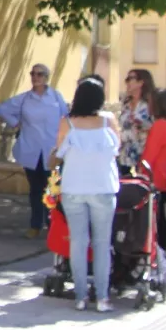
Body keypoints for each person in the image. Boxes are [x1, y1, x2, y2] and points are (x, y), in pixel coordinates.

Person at [55, 77, 122, 312]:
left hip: (73, 187)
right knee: (102, 243)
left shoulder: (67, 123)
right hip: (103, 187)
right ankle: (102, 298)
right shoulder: (108, 121)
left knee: (78, 242)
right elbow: (117, 149)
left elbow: (59, 152)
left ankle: (80, 297)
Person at [0, 64, 69, 239]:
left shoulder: (56, 97)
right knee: (35, 190)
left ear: (46, 77)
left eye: (40, 74)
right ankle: (35, 225)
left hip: (52, 151)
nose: (35, 77)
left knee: (52, 190)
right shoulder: (24, 99)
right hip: (32, 151)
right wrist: (16, 123)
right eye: (33, 74)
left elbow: (66, 118)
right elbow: (2, 109)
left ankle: (53, 226)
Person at [142, 88, 166, 275]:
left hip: (153, 177)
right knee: (161, 219)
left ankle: (156, 252)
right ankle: (162, 251)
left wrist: (139, 172)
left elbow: (149, 156)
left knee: (153, 219)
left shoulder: (159, 126)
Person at [119, 69, 157, 170]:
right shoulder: (125, 105)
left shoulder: (150, 105)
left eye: (130, 78)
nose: (127, 82)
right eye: (126, 79)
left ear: (141, 82)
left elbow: (155, 128)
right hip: (125, 156)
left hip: (143, 154)